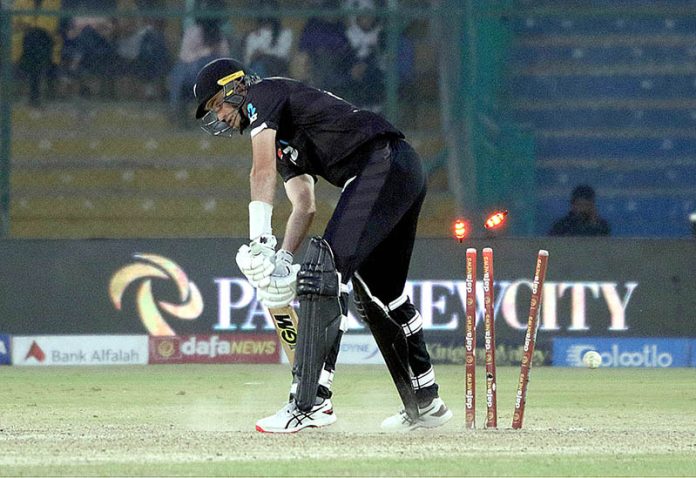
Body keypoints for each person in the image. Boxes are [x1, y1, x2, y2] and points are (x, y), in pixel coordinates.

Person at [193, 58, 452, 433]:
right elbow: (304, 204)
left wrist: (259, 240)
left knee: (324, 273)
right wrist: (282, 256)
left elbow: (259, 171)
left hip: (380, 163)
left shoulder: (262, 94)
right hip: (399, 169)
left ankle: (311, 402)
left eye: (218, 103)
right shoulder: (282, 137)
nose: (220, 114)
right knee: (379, 293)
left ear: (235, 87)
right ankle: (426, 404)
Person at [168, 0, 230, 123]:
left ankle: (218, 114)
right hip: (192, 72)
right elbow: (184, 57)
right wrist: (205, 55)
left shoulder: (219, 35)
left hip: (213, 77)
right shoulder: (192, 32)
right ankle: (177, 112)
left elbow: (225, 58)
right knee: (178, 74)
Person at [243, 0, 293, 78]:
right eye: (264, 9)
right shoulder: (253, 35)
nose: (267, 12)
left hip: (278, 69)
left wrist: (263, 54)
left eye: (270, 9)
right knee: (257, 68)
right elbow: (248, 60)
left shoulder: (285, 33)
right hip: (256, 70)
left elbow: (283, 55)